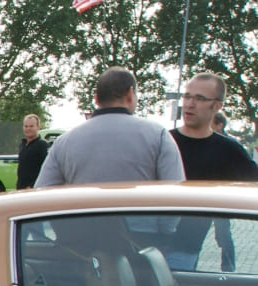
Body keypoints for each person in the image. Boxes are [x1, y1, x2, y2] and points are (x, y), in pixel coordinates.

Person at [165, 73, 258, 269]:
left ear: (216, 106)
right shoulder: (163, 142)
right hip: (150, 245)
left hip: (188, 247)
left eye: (199, 99)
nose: (189, 104)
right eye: (187, 96)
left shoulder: (229, 150)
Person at [35, 67, 185, 186]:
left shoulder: (63, 143)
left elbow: (40, 195)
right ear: (130, 94)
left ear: (96, 98)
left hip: (83, 224)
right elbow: (176, 195)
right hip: (142, 225)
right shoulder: (158, 136)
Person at [17, 114, 49, 189]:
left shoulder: (42, 145)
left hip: (35, 190)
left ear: (38, 127)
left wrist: (32, 185)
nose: (28, 129)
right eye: (26, 126)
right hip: (21, 188)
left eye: (31, 126)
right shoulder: (23, 145)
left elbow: (46, 168)